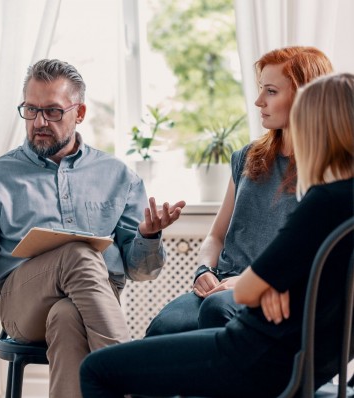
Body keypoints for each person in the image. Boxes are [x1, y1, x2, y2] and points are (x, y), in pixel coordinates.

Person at [80, 72, 354, 398]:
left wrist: (264, 283)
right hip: (297, 359)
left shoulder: (323, 201)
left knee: (96, 368)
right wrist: (275, 281)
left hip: (251, 355)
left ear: (319, 129)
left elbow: (250, 288)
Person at [0, 59, 185, 398]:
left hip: (96, 299)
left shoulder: (118, 176)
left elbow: (142, 272)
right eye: (30, 110)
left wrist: (147, 237)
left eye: (53, 112)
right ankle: (134, 383)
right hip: (23, 305)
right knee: (78, 254)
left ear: (80, 112)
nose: (39, 122)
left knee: (67, 317)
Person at [145, 46, 333, 337]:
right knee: (162, 327)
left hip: (274, 292)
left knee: (217, 310)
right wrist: (203, 270)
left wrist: (251, 282)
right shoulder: (247, 157)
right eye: (261, 89)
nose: (259, 101)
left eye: (270, 91)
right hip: (220, 284)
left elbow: (318, 257)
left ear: (304, 96)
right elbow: (216, 236)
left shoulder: (329, 170)